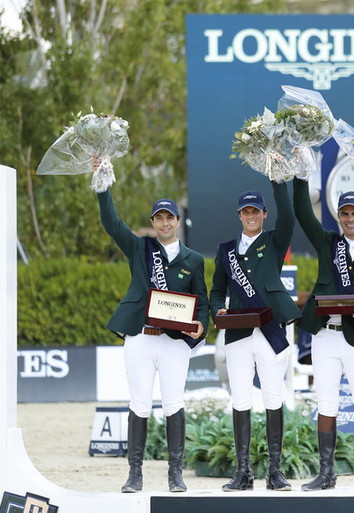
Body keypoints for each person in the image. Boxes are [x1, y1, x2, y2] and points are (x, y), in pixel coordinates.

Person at [95, 158, 208, 494]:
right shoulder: (139, 248)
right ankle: (135, 474)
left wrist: (200, 326)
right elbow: (111, 223)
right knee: (139, 404)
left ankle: (175, 473)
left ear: (177, 221)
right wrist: (102, 186)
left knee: (174, 403)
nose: (164, 222)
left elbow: (200, 300)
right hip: (142, 339)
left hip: (174, 343)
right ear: (153, 222)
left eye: (169, 217)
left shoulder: (194, 259)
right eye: (158, 218)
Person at [292, 178, 354, 491]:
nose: (350, 218)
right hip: (325, 335)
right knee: (326, 402)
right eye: (345, 213)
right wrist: (301, 175)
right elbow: (302, 211)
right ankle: (326, 473)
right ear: (339, 216)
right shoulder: (328, 243)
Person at [210, 185, 301, 492]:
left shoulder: (275, 241)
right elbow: (216, 291)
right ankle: (243, 472)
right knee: (241, 398)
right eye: (245, 212)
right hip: (237, 332)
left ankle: (275, 471)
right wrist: (217, 310)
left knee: (273, 397)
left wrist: (278, 181)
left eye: (255, 211)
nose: (250, 216)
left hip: (270, 329)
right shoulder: (226, 250)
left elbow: (288, 215)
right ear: (240, 216)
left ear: (264, 214)